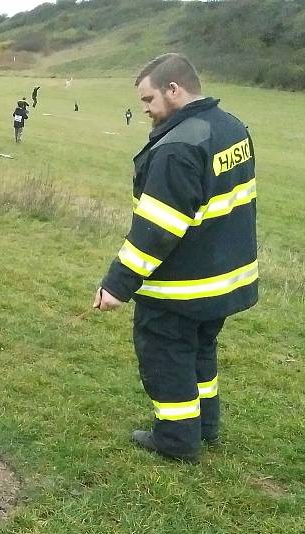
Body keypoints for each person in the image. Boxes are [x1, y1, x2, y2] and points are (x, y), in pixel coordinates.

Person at [93, 53, 258, 463]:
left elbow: (157, 229)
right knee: (200, 352)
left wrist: (117, 285)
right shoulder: (232, 128)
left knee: (166, 357)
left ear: (174, 89)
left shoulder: (177, 148)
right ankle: (205, 426)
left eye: (149, 99)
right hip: (223, 278)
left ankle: (176, 440)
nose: (145, 108)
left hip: (182, 287)